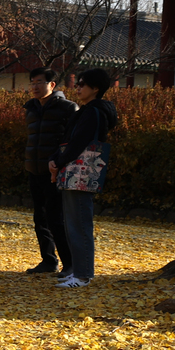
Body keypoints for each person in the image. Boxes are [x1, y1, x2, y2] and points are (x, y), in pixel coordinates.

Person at [49, 68, 116, 289]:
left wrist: (58, 161)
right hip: (76, 172)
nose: (77, 88)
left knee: (79, 222)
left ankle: (84, 274)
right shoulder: (89, 110)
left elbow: (78, 143)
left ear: (95, 88)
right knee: (73, 222)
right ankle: (79, 271)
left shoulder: (93, 112)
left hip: (80, 172)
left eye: (81, 84)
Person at [24, 68, 79, 277]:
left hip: (58, 171)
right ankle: (48, 260)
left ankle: (70, 264)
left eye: (39, 82)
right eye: (32, 82)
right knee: (40, 218)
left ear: (52, 84)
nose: (35, 86)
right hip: (34, 170)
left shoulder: (68, 108)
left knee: (57, 219)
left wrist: (58, 162)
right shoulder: (31, 108)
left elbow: (72, 141)